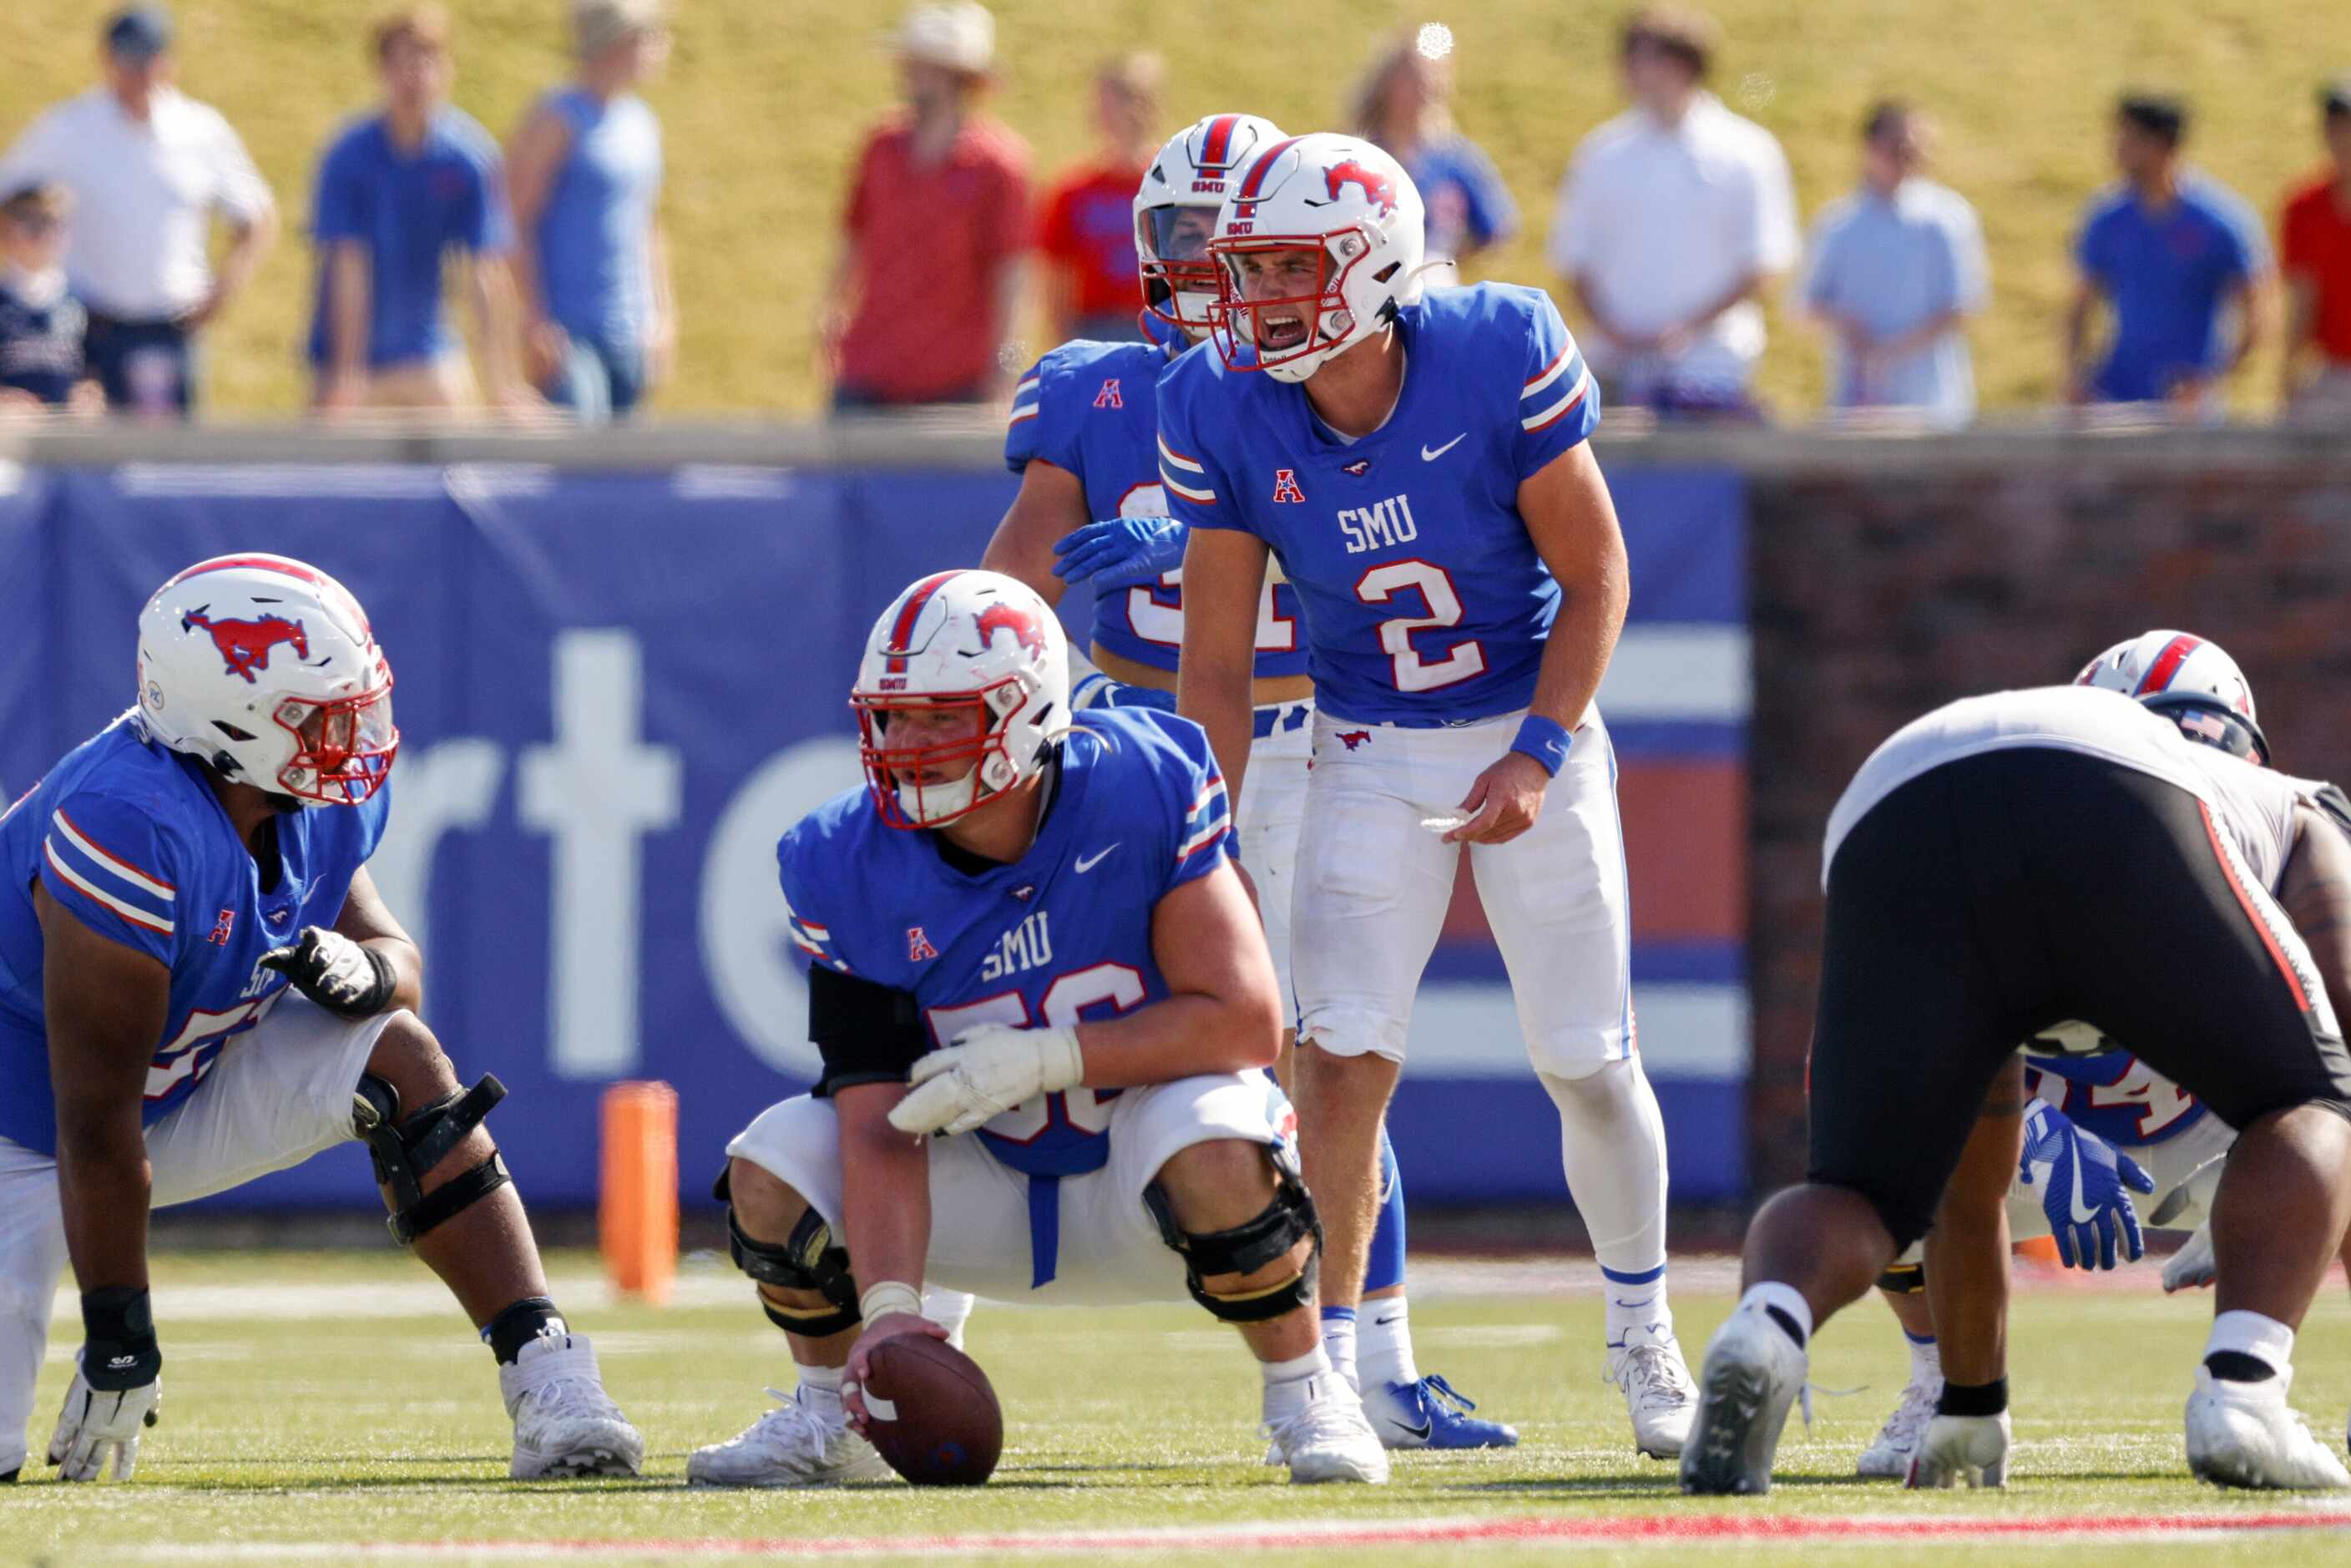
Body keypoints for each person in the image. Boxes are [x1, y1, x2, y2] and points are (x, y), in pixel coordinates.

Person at [978, 115, 1516, 1451]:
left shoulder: (1307, 394)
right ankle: (905, 1329)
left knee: (1328, 1047)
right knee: (999, 1009)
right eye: (1186, 238)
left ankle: (1374, 1360)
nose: (1213, 267)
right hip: (1129, 737)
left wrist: (1194, 528)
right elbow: (1003, 586)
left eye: (1239, 241)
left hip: (1307, 735)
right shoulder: (1099, 388)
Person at [1163, 134, 1698, 1459]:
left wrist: (1536, 750)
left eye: (1297, 264)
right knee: (1338, 1059)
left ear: (1378, 261)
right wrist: (1196, 841)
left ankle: (1645, 1335)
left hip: (1528, 722)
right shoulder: (1220, 400)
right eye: (1253, 266)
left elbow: (1598, 570)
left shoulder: (1495, 345)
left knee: (1586, 1057)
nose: (1265, 295)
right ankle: (1328, 1374)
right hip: (1362, 738)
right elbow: (1217, 664)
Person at [687, 569, 1388, 1488]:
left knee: (1219, 1131)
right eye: (891, 717)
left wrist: (1056, 1056)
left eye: (941, 717)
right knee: (772, 1163)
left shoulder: (1141, 783)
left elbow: (1247, 1022)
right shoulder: (844, 861)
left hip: (1148, 1179)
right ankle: (835, 1419)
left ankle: (1306, 1392)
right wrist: (894, 1308)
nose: (905, 743)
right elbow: (873, 1116)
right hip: (982, 1195)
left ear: (1024, 712)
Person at [0, 554, 640, 1485]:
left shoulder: (301, 794)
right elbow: (92, 1122)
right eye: (321, 714)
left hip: (163, 1092)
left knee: (396, 1054)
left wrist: (366, 971)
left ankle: (551, 1374)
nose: (356, 735)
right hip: (25, 1127)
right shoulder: (125, 822)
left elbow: (400, 966)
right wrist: (121, 1330)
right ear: (226, 718)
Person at [1681, 678, 2351, 1495]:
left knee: (1866, 1195)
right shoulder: (2295, 805)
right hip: (2115, 795)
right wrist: (2284, 1198)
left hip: (1885, 802)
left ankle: (1768, 1325)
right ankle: (2242, 1393)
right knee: (2319, 1098)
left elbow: (1966, 1190)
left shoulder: (2037, 752)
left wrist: (1974, 1409)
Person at [1850, 631, 2317, 1481]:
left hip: (2218, 1139)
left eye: (2210, 750)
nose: (2190, 771)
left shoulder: (2284, 839)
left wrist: (2275, 1185)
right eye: (2164, 744)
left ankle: (2255, 1372)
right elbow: (1887, 1052)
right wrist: (2026, 1127)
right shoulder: (2034, 847)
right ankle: (1936, 1378)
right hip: (2033, 1149)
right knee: (1874, 1162)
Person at [0, 5, 276, 417]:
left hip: (170, 329)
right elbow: (9, 188)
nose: (139, 73)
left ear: (168, 59)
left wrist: (223, 291)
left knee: (165, 465)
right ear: (107, 60)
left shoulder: (199, 129)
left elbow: (256, 216)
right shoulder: (71, 128)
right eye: (128, 60)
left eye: (149, 58)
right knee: (87, 461)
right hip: (89, 329)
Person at [1546, 5, 1797, 416]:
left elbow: (1763, 264)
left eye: (1643, 57)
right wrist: (1617, 334)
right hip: (1611, 373)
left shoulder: (1748, 152)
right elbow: (1574, 261)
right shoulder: (1601, 154)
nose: (1629, 70)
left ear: (1683, 65)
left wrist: (1686, 331)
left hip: (1712, 372)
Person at [306, 5, 531, 412]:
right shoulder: (350, 157)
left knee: (463, 461)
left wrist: (503, 383)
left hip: (429, 353)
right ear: (383, 71)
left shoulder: (467, 157)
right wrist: (346, 373)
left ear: (447, 69)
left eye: (429, 61)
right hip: (354, 358)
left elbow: (483, 269)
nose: (417, 78)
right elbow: (347, 264)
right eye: (404, 63)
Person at [823, 3, 1030, 410]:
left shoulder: (998, 165)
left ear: (959, 79)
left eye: (923, 67)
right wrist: (829, 312)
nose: (908, 77)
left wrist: (1006, 365)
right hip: (868, 368)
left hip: (956, 381)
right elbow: (853, 235)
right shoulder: (880, 147)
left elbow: (1012, 273)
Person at [506, 0, 675, 424]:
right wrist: (533, 320)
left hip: (629, 329)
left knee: (627, 474)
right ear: (617, 44)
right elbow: (512, 220)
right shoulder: (557, 118)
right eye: (650, 38)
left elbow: (648, 225)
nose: (661, 49)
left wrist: (662, 316)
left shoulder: (642, 123)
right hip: (568, 330)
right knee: (576, 464)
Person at [2065, 94, 2269, 412]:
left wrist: (2209, 381)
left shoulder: (2219, 220)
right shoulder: (2107, 218)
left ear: (2162, 144)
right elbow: (2079, 305)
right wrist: (2076, 374)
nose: (2117, 148)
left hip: (2186, 407)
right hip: (2115, 396)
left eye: (2129, 138)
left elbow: (2257, 312)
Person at [1799, 102, 1988, 427]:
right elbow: (1807, 304)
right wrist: (1849, 328)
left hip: (1934, 408)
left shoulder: (1948, 218)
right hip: (1855, 407)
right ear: (1870, 147)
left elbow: (1962, 305)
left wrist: (1891, 353)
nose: (1910, 158)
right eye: (1899, 148)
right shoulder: (1839, 223)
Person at [1347, 26, 1518, 273]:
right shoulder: (1359, 154)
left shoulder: (1457, 158)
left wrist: (1441, 261)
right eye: (1413, 77)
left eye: (1434, 76)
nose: (1425, 86)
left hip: (1433, 289)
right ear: (1388, 83)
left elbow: (1497, 226)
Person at [1034, 54, 1162, 345]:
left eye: (1114, 103)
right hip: (1095, 329)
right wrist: (1062, 342)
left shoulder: (1173, 188)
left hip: (1160, 324)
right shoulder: (1075, 190)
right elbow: (1057, 279)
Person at [2280, 79, 2351, 417]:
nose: (2343, 139)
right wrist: (2289, 372)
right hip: (2334, 372)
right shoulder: (2305, 207)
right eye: (2335, 127)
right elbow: (2304, 295)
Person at [0, 185, 103, 415]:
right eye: (31, 223)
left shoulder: (82, 302)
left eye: (54, 224)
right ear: (6, 229)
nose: (43, 234)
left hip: (65, 438)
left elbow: (94, 371)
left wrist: (91, 393)